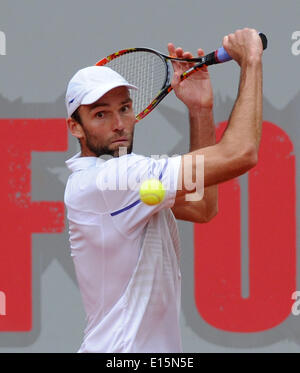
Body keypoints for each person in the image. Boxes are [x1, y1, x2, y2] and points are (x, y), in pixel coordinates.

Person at [64, 28, 263, 353]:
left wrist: (201, 111)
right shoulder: (113, 180)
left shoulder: (109, 184)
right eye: (101, 114)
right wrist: (251, 61)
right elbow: (241, 153)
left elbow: (201, 207)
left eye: (125, 109)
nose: (118, 123)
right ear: (75, 127)